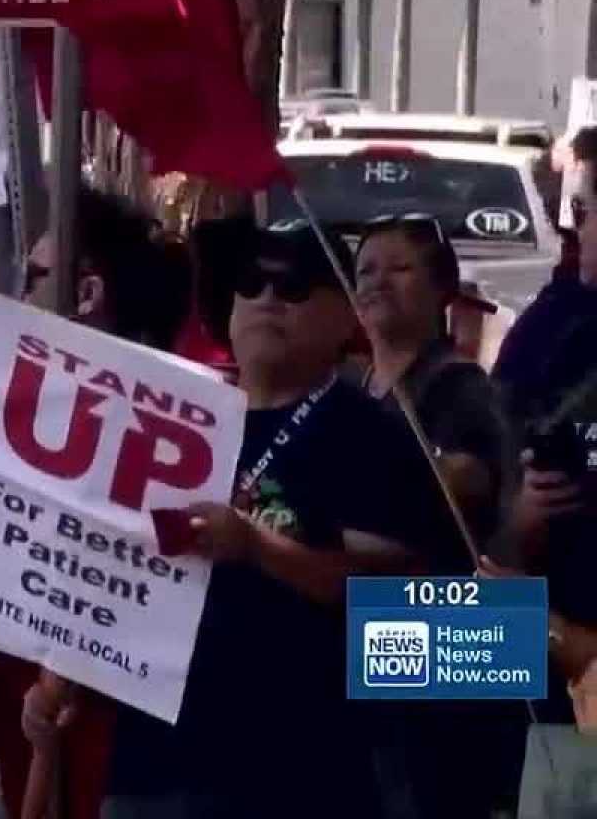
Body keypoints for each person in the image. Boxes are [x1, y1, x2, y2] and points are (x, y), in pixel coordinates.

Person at [99, 225, 453, 818]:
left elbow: (401, 610)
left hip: (296, 773)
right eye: (249, 283)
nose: (266, 299)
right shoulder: (176, 412)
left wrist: (260, 549)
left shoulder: (371, 435)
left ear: (346, 318)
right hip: (148, 757)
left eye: (292, 287)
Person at [15, 188, 190, 819]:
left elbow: (488, 640)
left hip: (159, 773)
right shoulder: (35, 418)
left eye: (32, 278)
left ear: (85, 295)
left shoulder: (177, 433)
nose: (19, 297)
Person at [492, 131, 597, 730]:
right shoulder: (556, 330)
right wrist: (519, 522)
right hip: (544, 686)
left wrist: (547, 631)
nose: (571, 229)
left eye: (581, 210)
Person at [353, 216, 513, 551]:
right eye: (366, 271)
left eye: (399, 269)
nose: (379, 282)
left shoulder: (460, 384)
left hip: (425, 592)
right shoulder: (350, 381)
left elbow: (471, 478)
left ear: (441, 289)